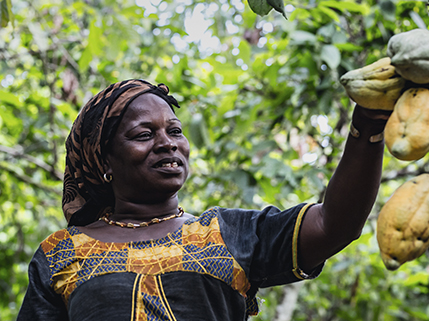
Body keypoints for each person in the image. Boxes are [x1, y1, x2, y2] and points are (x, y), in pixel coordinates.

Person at [17, 79, 390, 320]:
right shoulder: (61, 253)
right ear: (104, 160)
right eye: (144, 134)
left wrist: (368, 127)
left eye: (175, 131)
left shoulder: (226, 232)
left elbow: (334, 225)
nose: (167, 143)